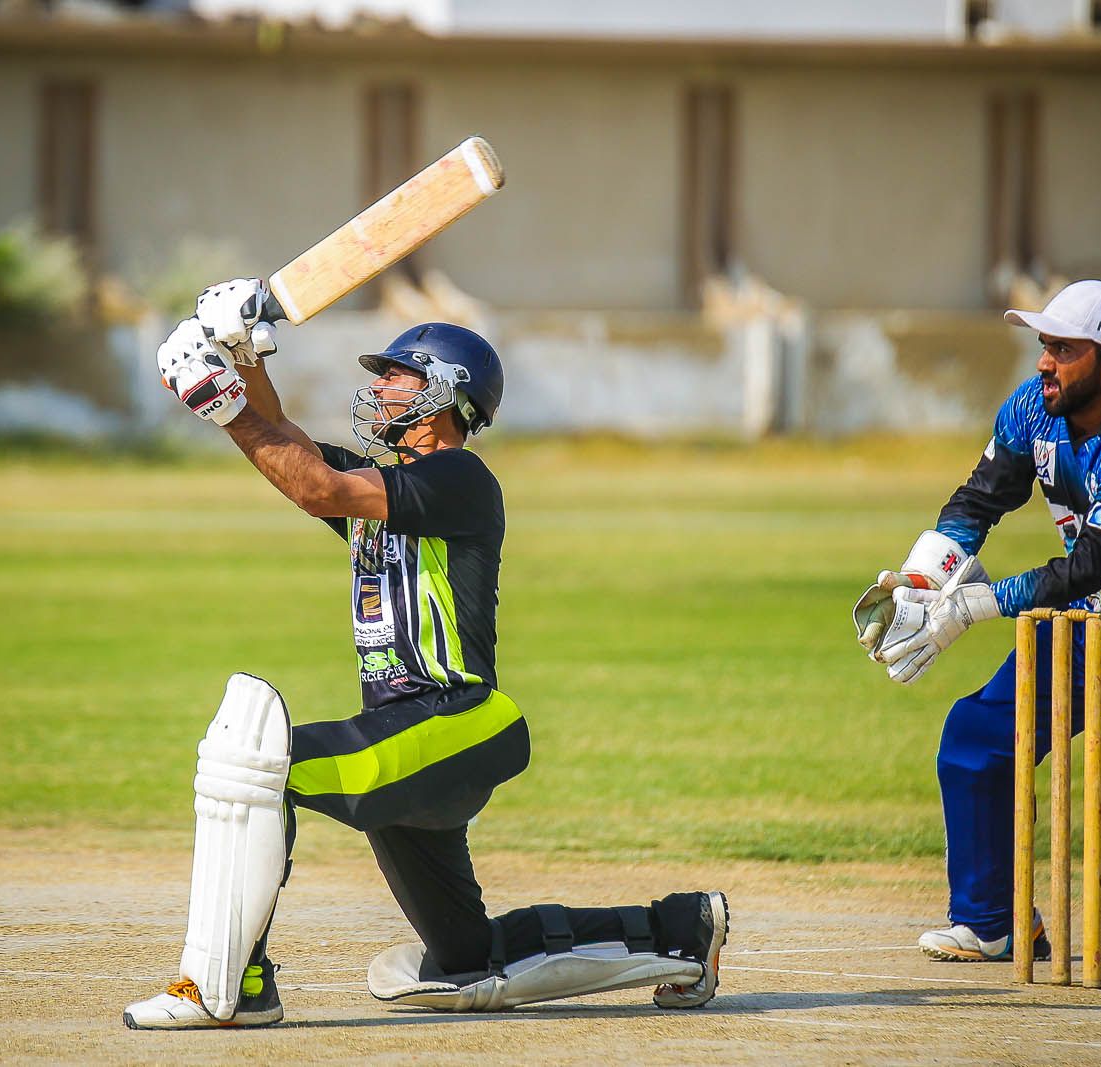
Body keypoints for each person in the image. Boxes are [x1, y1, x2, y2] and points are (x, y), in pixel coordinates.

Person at [124, 279, 727, 1029]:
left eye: (396, 375)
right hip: (409, 734)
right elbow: (285, 441)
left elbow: (317, 489)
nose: (378, 386)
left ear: (445, 393)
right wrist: (242, 357)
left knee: (258, 767)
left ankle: (234, 987)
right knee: (466, 955)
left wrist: (222, 406)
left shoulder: (458, 478)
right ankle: (681, 929)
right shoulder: (388, 487)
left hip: (458, 721)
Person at [853, 280, 1101, 977]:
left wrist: (970, 607)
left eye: (1065, 349)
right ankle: (995, 921)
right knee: (976, 735)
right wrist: (921, 580)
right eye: (1044, 345)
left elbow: (1086, 567)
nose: (1045, 361)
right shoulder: (1032, 410)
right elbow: (979, 501)